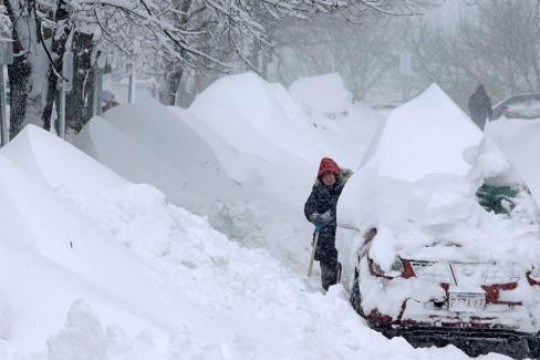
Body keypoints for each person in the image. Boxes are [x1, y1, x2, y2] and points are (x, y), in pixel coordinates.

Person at [304, 157, 353, 291]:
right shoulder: (318, 190)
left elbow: (346, 207)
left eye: (331, 174)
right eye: (325, 176)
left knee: (343, 272)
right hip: (324, 239)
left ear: (336, 174)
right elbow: (308, 207)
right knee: (328, 276)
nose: (329, 178)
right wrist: (313, 216)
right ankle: (328, 296)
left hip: (343, 236)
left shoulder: (347, 188)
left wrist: (330, 215)